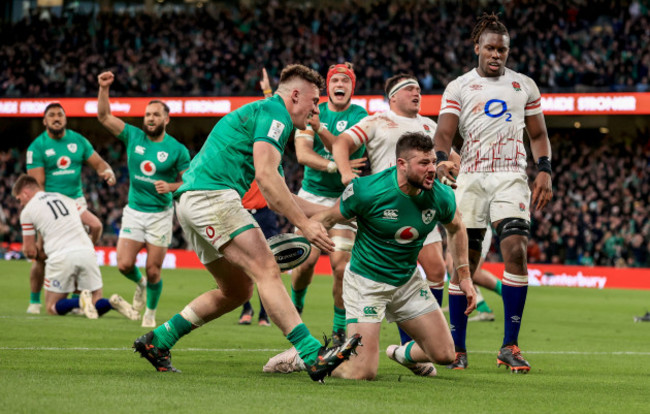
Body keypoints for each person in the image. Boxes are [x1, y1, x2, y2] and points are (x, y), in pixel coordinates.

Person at [130, 64, 361, 381]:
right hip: (212, 197)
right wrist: (305, 226)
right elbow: (266, 180)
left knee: (236, 291)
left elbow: (283, 193)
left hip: (191, 201)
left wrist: (342, 210)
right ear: (295, 95)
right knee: (266, 268)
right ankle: (312, 355)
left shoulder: (267, 115)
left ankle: (158, 341)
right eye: (314, 101)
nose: (315, 109)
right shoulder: (275, 114)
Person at [263, 132, 477, 380]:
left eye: (432, 161)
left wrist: (464, 276)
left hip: (406, 281)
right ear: (401, 164)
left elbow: (457, 227)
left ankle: (401, 355)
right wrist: (301, 235)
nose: (432, 169)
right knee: (362, 372)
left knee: (445, 354)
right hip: (366, 283)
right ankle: (304, 357)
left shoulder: (440, 195)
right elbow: (328, 217)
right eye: (424, 163)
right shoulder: (366, 190)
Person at [433, 13, 553, 372]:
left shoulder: (525, 86)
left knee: (515, 250)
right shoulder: (459, 87)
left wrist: (544, 169)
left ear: (508, 51)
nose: (497, 54)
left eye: (502, 49)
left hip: (510, 176)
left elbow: (538, 135)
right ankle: (457, 349)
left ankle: (509, 345)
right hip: (470, 177)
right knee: (463, 263)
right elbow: (443, 133)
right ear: (477, 48)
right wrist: (440, 160)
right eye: (490, 48)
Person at [332, 73, 451, 346]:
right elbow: (341, 143)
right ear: (393, 96)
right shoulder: (377, 120)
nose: (417, 93)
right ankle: (379, 333)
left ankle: (414, 341)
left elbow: (448, 155)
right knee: (387, 271)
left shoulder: (429, 125)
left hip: (421, 205)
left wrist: (450, 164)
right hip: (384, 208)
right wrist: (345, 171)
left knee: (435, 270)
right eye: (410, 89)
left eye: (419, 89)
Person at [97, 71, 191, 328]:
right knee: (124, 264)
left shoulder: (178, 150)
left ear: (166, 119)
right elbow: (104, 117)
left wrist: (171, 185)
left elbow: (189, 182)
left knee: (153, 270)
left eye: (156, 114)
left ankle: (150, 312)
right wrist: (104, 88)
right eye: (148, 114)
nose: (150, 118)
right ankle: (139, 285)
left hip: (160, 215)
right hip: (135, 211)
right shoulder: (133, 136)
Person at [290, 62, 367, 345]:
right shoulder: (313, 107)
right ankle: (296, 305)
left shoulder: (360, 115)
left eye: (345, 81)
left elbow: (348, 147)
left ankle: (338, 330)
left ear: (351, 87)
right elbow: (302, 154)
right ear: (328, 86)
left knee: (341, 267)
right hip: (311, 196)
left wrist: (321, 128)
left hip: (344, 199)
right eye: (335, 80)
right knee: (305, 263)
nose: (340, 85)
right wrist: (335, 166)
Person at [25, 103, 116, 314]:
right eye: (52, 115)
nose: (57, 118)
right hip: (50, 206)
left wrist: (108, 172)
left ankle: (78, 300)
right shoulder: (37, 147)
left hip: (76, 205)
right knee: (41, 255)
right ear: (44, 121)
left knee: (79, 252)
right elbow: (37, 187)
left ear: (65, 119)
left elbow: (100, 164)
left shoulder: (78, 140)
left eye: (60, 115)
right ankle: (34, 301)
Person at [14, 174, 138, 320]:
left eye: (19, 199)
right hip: (86, 252)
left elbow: (29, 251)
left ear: (25, 193)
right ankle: (112, 303)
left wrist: (34, 251)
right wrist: (89, 245)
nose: (21, 203)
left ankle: (79, 301)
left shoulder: (27, 212)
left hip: (60, 255)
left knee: (52, 306)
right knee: (95, 302)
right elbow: (96, 224)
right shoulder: (64, 198)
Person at [238, 180, 278, 327]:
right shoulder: (237, 160)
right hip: (240, 213)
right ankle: (246, 309)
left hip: (264, 215)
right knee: (241, 266)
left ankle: (264, 314)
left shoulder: (265, 159)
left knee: (267, 264)